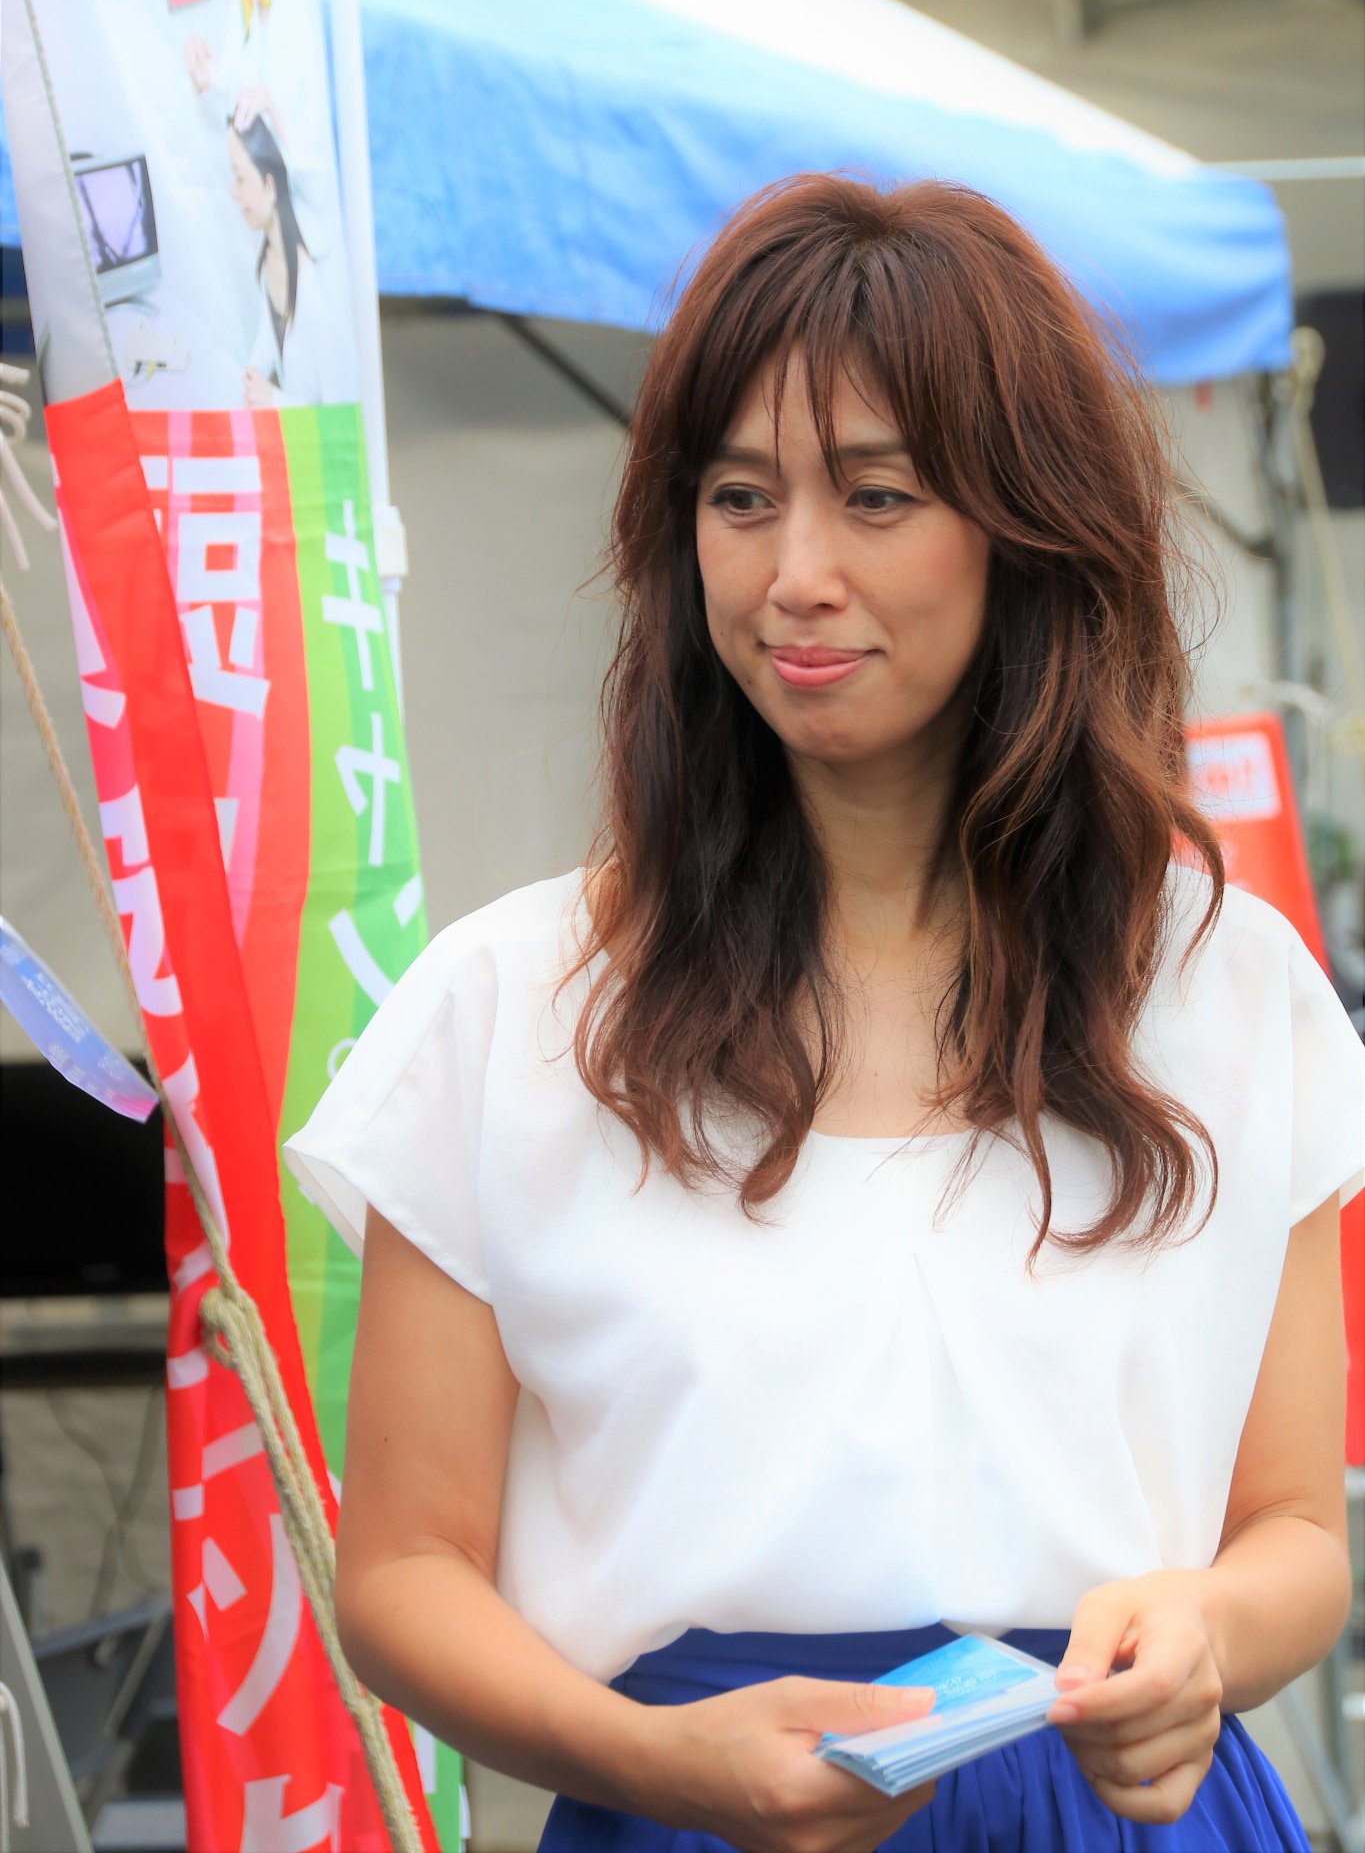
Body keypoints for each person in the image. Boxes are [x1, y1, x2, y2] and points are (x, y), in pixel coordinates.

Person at [283, 174, 1364, 1853]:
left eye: (875, 496)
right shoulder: (512, 1007)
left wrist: (1204, 1635)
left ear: (1026, 522)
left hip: (1124, 1810)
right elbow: (406, 1573)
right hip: (685, 1813)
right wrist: (653, 1761)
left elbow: (1296, 1526)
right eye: (738, 497)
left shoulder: (1226, 985)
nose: (794, 574)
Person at [183, 0, 335, 261]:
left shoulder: (298, 17)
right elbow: (234, 110)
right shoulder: (246, 6)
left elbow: (313, 161)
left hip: (307, 233)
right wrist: (205, 79)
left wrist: (273, 112)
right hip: (264, 233)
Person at [227, 116, 354, 409]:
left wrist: (272, 399)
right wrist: (251, 371)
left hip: (311, 434)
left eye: (240, 178)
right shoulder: (269, 259)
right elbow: (270, 328)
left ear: (270, 186)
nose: (233, 191)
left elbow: (338, 421)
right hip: (290, 427)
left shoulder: (315, 294)